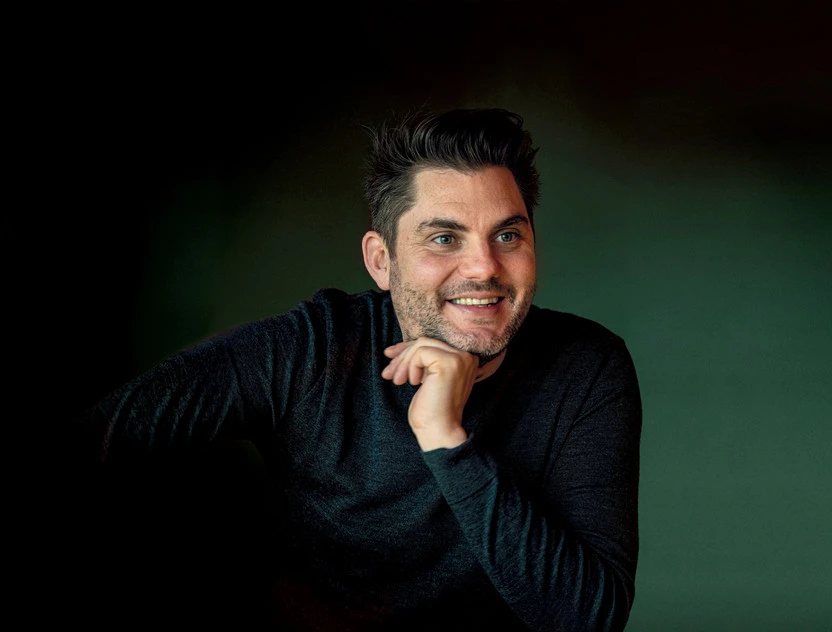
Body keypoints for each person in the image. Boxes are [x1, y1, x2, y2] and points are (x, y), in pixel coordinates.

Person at [60, 107, 642, 631]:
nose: (484, 267)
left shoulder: (586, 366)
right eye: (445, 238)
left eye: (507, 235)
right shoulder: (311, 350)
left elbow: (588, 618)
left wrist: (446, 439)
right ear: (381, 261)